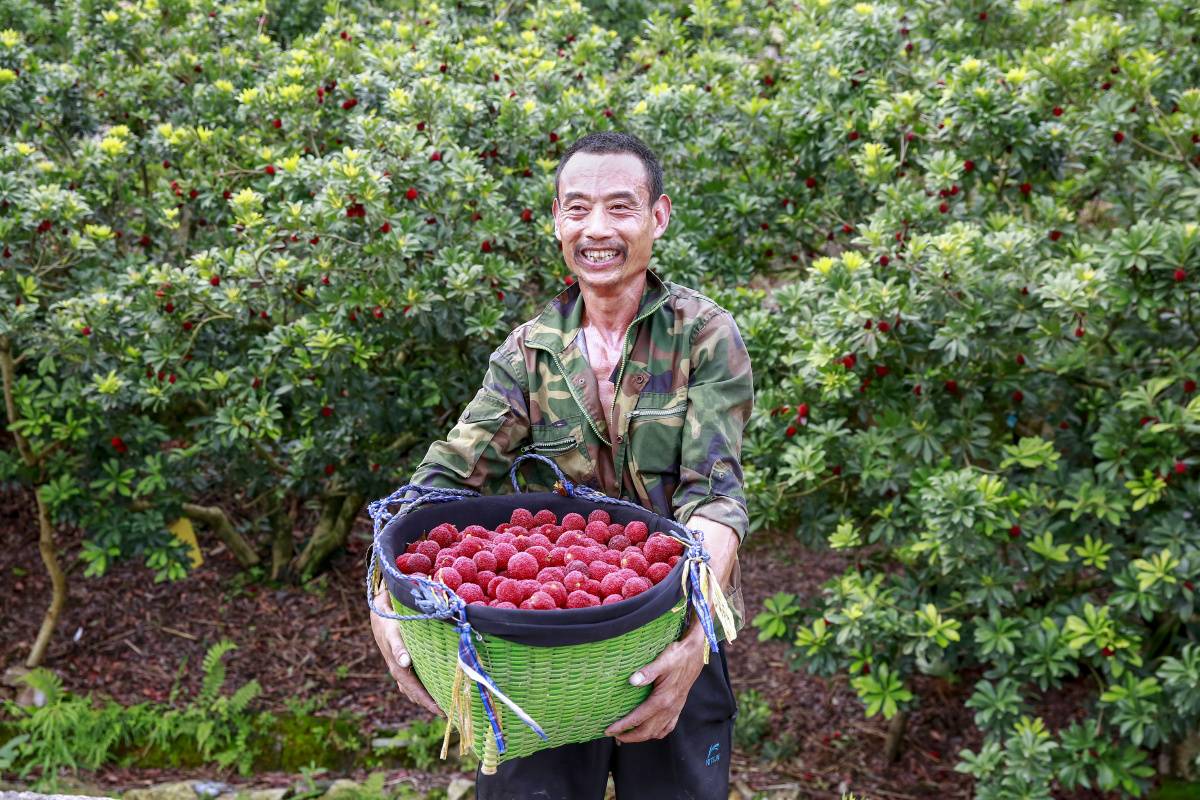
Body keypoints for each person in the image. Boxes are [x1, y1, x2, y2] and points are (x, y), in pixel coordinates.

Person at [369, 131, 754, 799]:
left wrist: (693, 639)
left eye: (620, 208)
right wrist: (385, 597)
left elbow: (714, 496)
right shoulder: (530, 352)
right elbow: (442, 480)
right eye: (577, 209)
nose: (596, 229)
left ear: (657, 217)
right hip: (533, 655)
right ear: (556, 220)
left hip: (673, 625)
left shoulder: (703, 336)